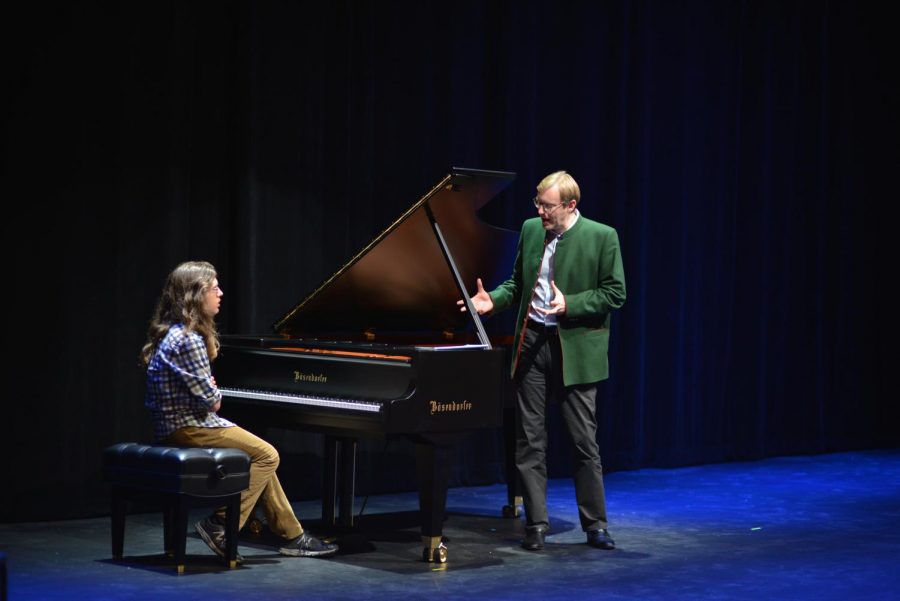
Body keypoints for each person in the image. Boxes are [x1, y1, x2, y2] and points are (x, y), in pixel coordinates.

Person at [459, 170, 626, 551]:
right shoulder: (532, 230)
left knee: (584, 442)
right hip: (531, 342)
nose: (540, 212)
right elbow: (517, 283)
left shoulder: (603, 237)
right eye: (538, 204)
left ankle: (595, 525)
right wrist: (493, 300)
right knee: (529, 440)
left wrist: (572, 304)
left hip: (575, 348)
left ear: (570, 205)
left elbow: (615, 294)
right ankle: (535, 524)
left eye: (547, 206)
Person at [139, 260, 338, 561]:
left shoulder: (173, 333)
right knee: (268, 455)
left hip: (181, 425)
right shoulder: (190, 340)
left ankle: (293, 535)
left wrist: (211, 389)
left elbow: (207, 395)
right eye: (213, 287)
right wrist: (213, 390)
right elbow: (213, 401)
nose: (220, 292)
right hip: (188, 429)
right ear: (195, 294)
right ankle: (220, 523)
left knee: (259, 456)